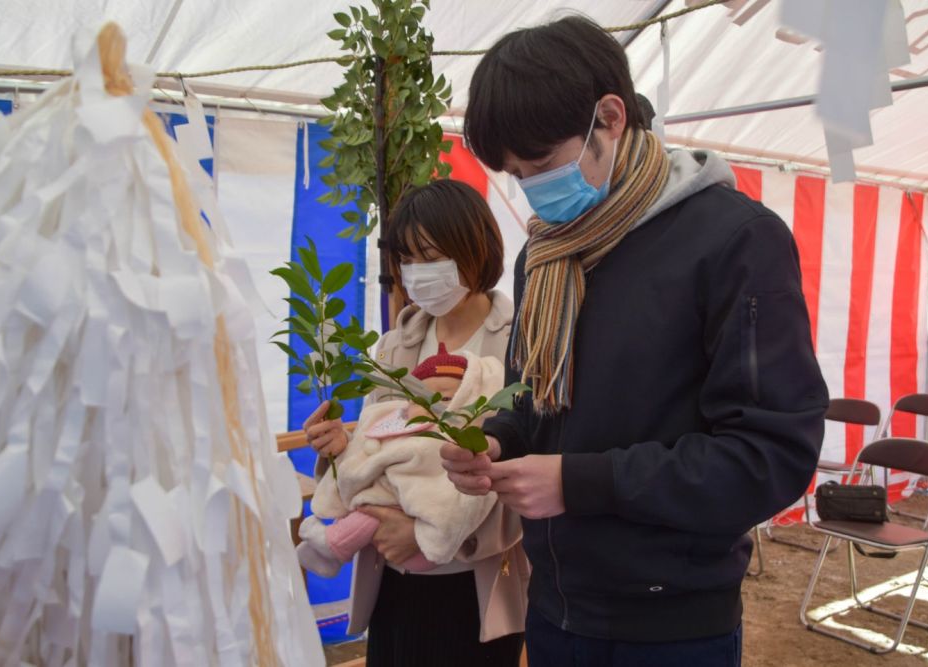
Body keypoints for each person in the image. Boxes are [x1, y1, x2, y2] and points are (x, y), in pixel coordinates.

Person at [441, 15, 829, 667]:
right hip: (556, 608)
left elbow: (772, 452)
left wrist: (581, 482)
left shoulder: (734, 241)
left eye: (538, 165)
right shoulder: (546, 255)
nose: (530, 189)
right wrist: (498, 437)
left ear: (611, 117)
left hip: (672, 629)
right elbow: (535, 399)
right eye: (513, 173)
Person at [302, 179, 527, 666]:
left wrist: (432, 535)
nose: (418, 272)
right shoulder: (392, 349)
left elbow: (529, 473)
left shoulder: (518, 347)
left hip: (473, 585)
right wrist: (341, 448)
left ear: (476, 245)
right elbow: (379, 451)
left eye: (431, 254)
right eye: (407, 258)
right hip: (393, 580)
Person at [297, 345, 504, 578]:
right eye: (418, 400)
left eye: (444, 398)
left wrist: (419, 534)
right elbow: (373, 441)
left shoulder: (513, 338)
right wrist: (342, 447)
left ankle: (334, 545)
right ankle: (330, 554)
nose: (429, 407)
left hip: (468, 570)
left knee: (369, 513)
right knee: (369, 508)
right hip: (385, 568)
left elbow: (513, 464)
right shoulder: (391, 343)